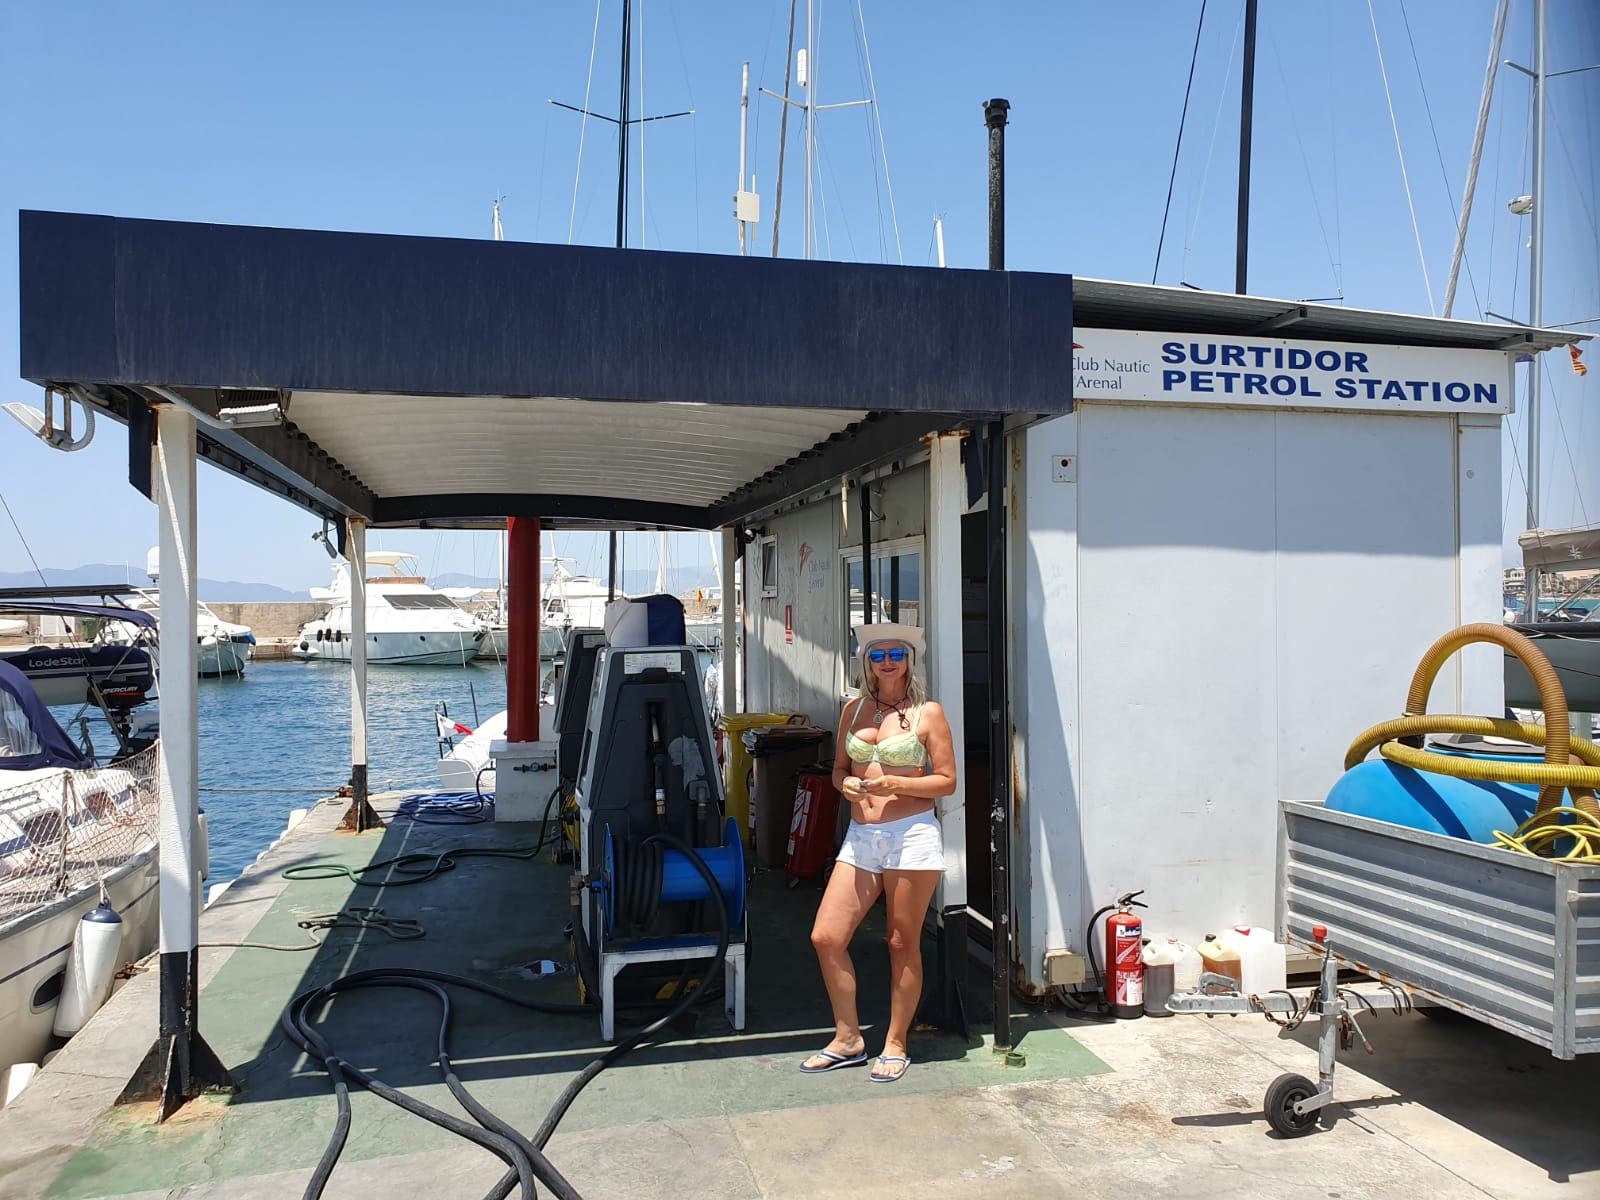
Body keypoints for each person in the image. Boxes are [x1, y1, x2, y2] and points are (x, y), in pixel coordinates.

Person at [800, 622, 957, 1083]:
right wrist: (845, 784)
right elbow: (838, 769)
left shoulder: (928, 712)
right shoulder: (853, 710)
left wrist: (897, 784)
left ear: (910, 659)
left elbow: (947, 781)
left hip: (911, 835)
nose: (887, 662)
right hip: (861, 837)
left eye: (895, 654)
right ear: (866, 661)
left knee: (901, 941)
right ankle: (848, 1039)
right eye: (877, 655)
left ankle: (896, 1042)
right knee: (826, 937)